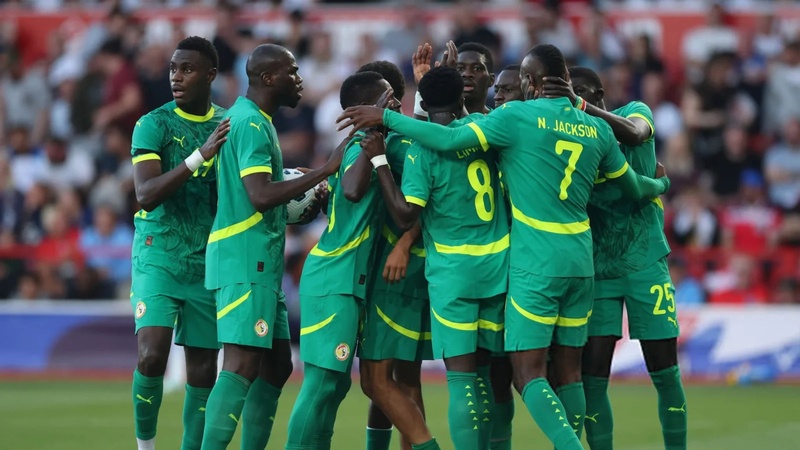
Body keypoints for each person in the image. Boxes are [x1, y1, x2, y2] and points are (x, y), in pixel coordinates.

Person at [337, 44, 671, 450]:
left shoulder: (509, 122)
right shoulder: (594, 129)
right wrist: (661, 185)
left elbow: (443, 145)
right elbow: (635, 186)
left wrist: (387, 122)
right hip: (559, 261)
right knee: (566, 372)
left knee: (489, 376)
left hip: (506, 266)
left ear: (531, 83)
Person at [201, 44, 341, 450]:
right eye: (292, 72)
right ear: (267, 77)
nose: (299, 80)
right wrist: (324, 171)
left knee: (277, 364)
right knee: (242, 363)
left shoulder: (254, 120)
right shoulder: (249, 124)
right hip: (244, 260)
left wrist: (303, 202)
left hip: (260, 261)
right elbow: (260, 195)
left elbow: (263, 197)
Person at [362, 65, 508, 450]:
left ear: (423, 104)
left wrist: (379, 163)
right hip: (499, 266)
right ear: (462, 97)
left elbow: (407, 213)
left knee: (461, 380)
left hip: (454, 272)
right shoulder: (484, 126)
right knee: (488, 375)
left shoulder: (422, 150)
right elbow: (452, 124)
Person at [543, 67, 687, 450]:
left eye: (584, 95)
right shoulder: (574, 138)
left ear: (599, 93)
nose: (575, 105)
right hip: (598, 269)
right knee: (593, 379)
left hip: (645, 263)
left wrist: (581, 105)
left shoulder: (636, 110)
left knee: (665, 373)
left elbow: (636, 132)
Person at [284, 71, 398, 450]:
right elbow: (350, 189)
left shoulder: (365, 144)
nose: (396, 103)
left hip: (348, 278)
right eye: (387, 98)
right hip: (334, 276)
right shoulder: (360, 146)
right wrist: (369, 137)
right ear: (368, 107)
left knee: (335, 385)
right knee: (320, 385)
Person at [130, 36, 230, 450]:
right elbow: (146, 193)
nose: (176, 76)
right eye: (173, 68)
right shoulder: (153, 124)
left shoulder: (229, 124)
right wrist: (199, 156)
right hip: (159, 251)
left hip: (206, 259)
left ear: (210, 75)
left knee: (203, 370)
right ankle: (146, 446)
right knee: (152, 354)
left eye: (187, 69)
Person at [356, 61, 434, 450]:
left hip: (399, 272)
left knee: (385, 379)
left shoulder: (403, 148)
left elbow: (424, 203)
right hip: (383, 270)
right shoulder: (376, 143)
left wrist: (403, 245)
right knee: (392, 380)